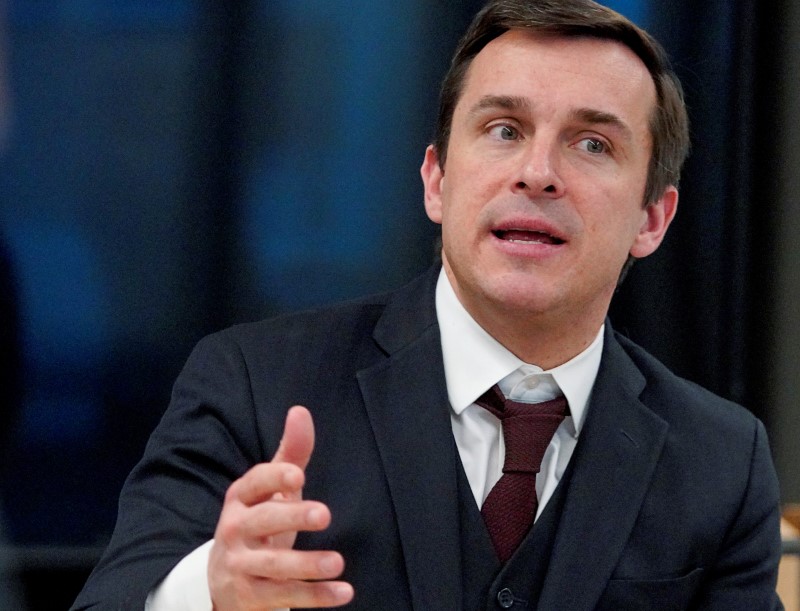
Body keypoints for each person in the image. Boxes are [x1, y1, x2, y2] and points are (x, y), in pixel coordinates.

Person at [72, 0, 784, 609]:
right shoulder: (253, 383)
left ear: (652, 219)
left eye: (592, 143)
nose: (538, 173)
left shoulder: (723, 461)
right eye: (504, 129)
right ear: (436, 181)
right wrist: (212, 589)